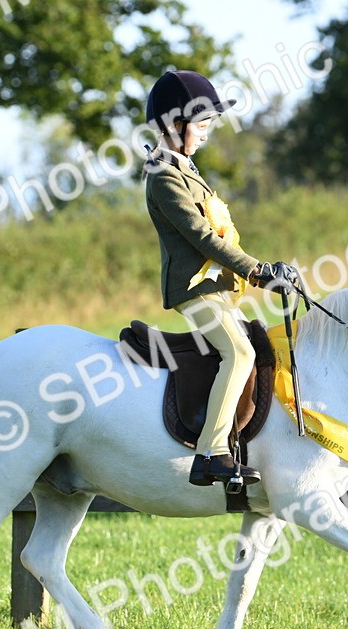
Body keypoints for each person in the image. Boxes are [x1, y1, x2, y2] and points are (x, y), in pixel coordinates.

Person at [142, 70, 293, 488]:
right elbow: (203, 237)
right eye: (202, 125)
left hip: (218, 290)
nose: (207, 135)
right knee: (240, 354)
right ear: (176, 125)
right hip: (194, 292)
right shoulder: (164, 176)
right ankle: (211, 454)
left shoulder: (185, 169)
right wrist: (258, 270)